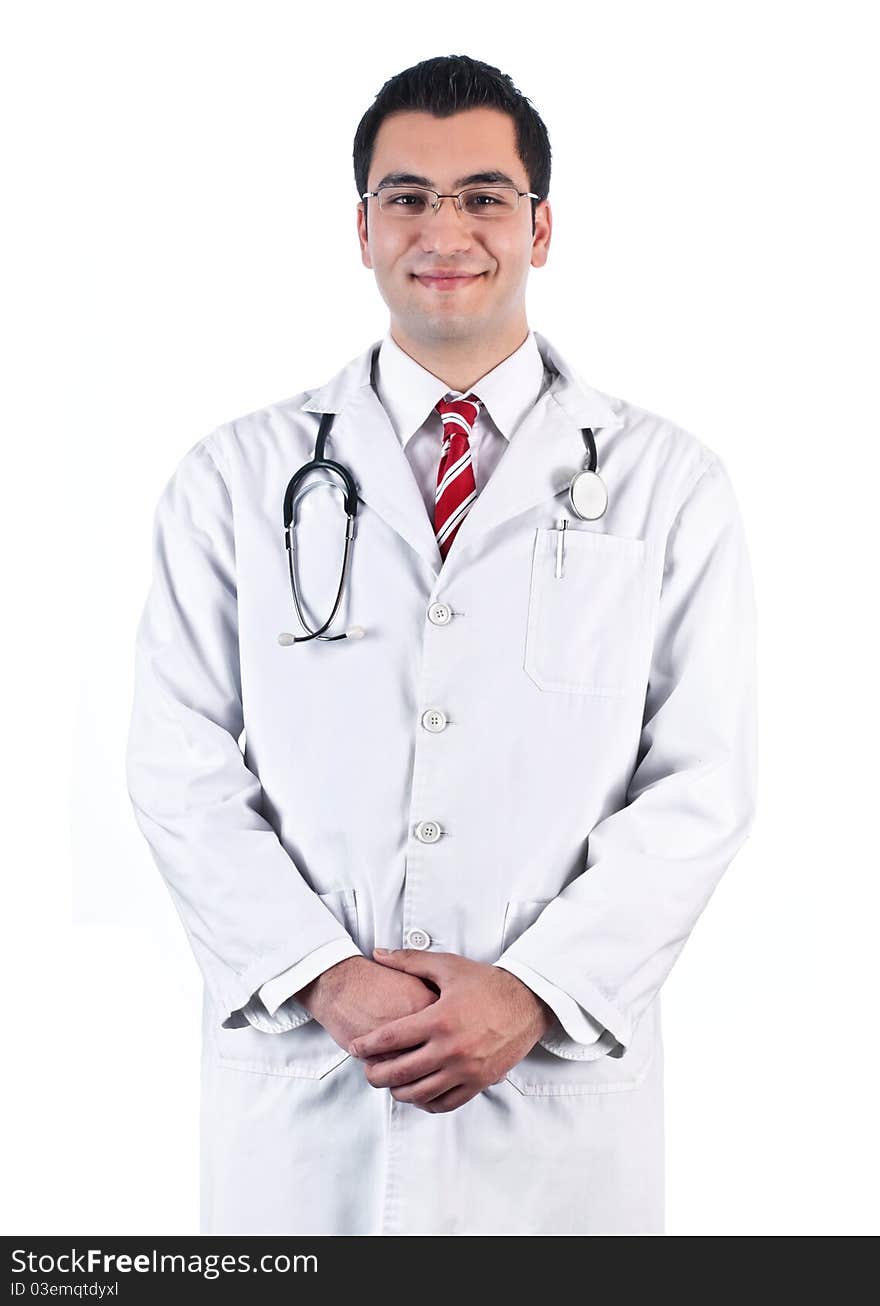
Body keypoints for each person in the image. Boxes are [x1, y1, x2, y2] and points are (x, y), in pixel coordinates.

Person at [125, 53, 758, 1236]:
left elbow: (702, 782)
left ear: (542, 225)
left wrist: (534, 989)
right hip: (312, 1097)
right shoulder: (235, 480)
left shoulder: (668, 485)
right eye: (406, 196)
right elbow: (178, 766)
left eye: (483, 195)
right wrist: (321, 972)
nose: (444, 228)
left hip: (555, 1102)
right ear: (361, 229)